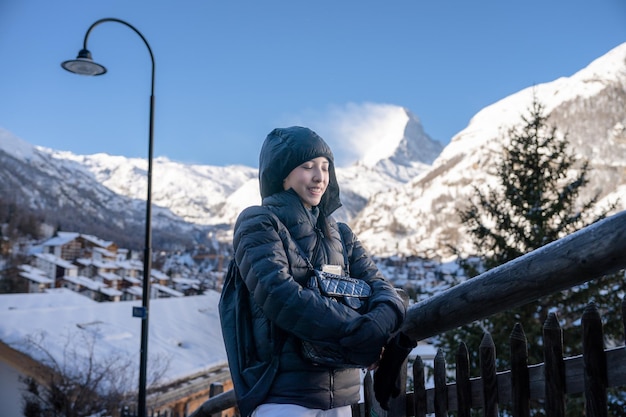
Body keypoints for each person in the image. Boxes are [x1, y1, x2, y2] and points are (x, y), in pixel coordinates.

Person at [225, 126, 408, 417]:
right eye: (307, 166)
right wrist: (360, 332)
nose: (319, 177)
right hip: (284, 396)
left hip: (341, 398)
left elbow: (383, 289)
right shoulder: (258, 223)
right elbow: (281, 295)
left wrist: (376, 325)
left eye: (325, 167)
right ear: (281, 174)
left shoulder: (342, 234)